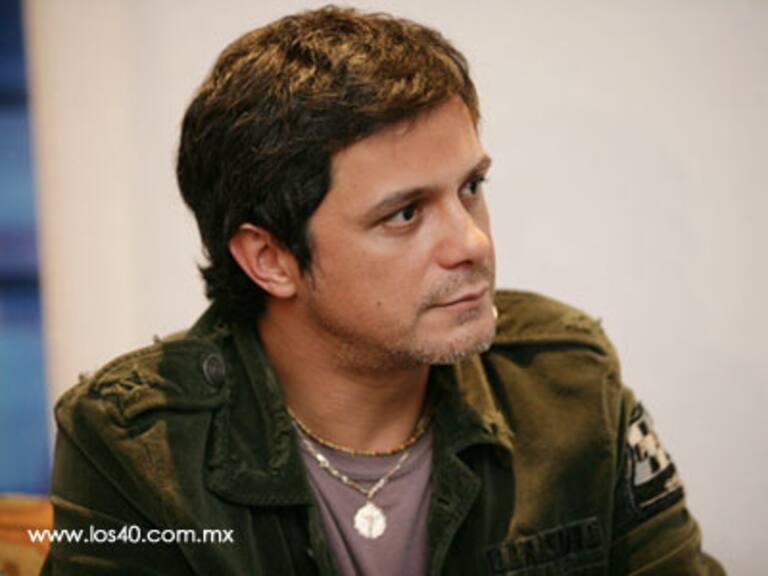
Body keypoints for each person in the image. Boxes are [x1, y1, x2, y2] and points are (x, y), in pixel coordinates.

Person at [41, 6, 724, 575]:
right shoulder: (137, 445)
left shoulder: (567, 381)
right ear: (270, 258)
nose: (472, 243)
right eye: (404, 214)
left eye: (471, 188)